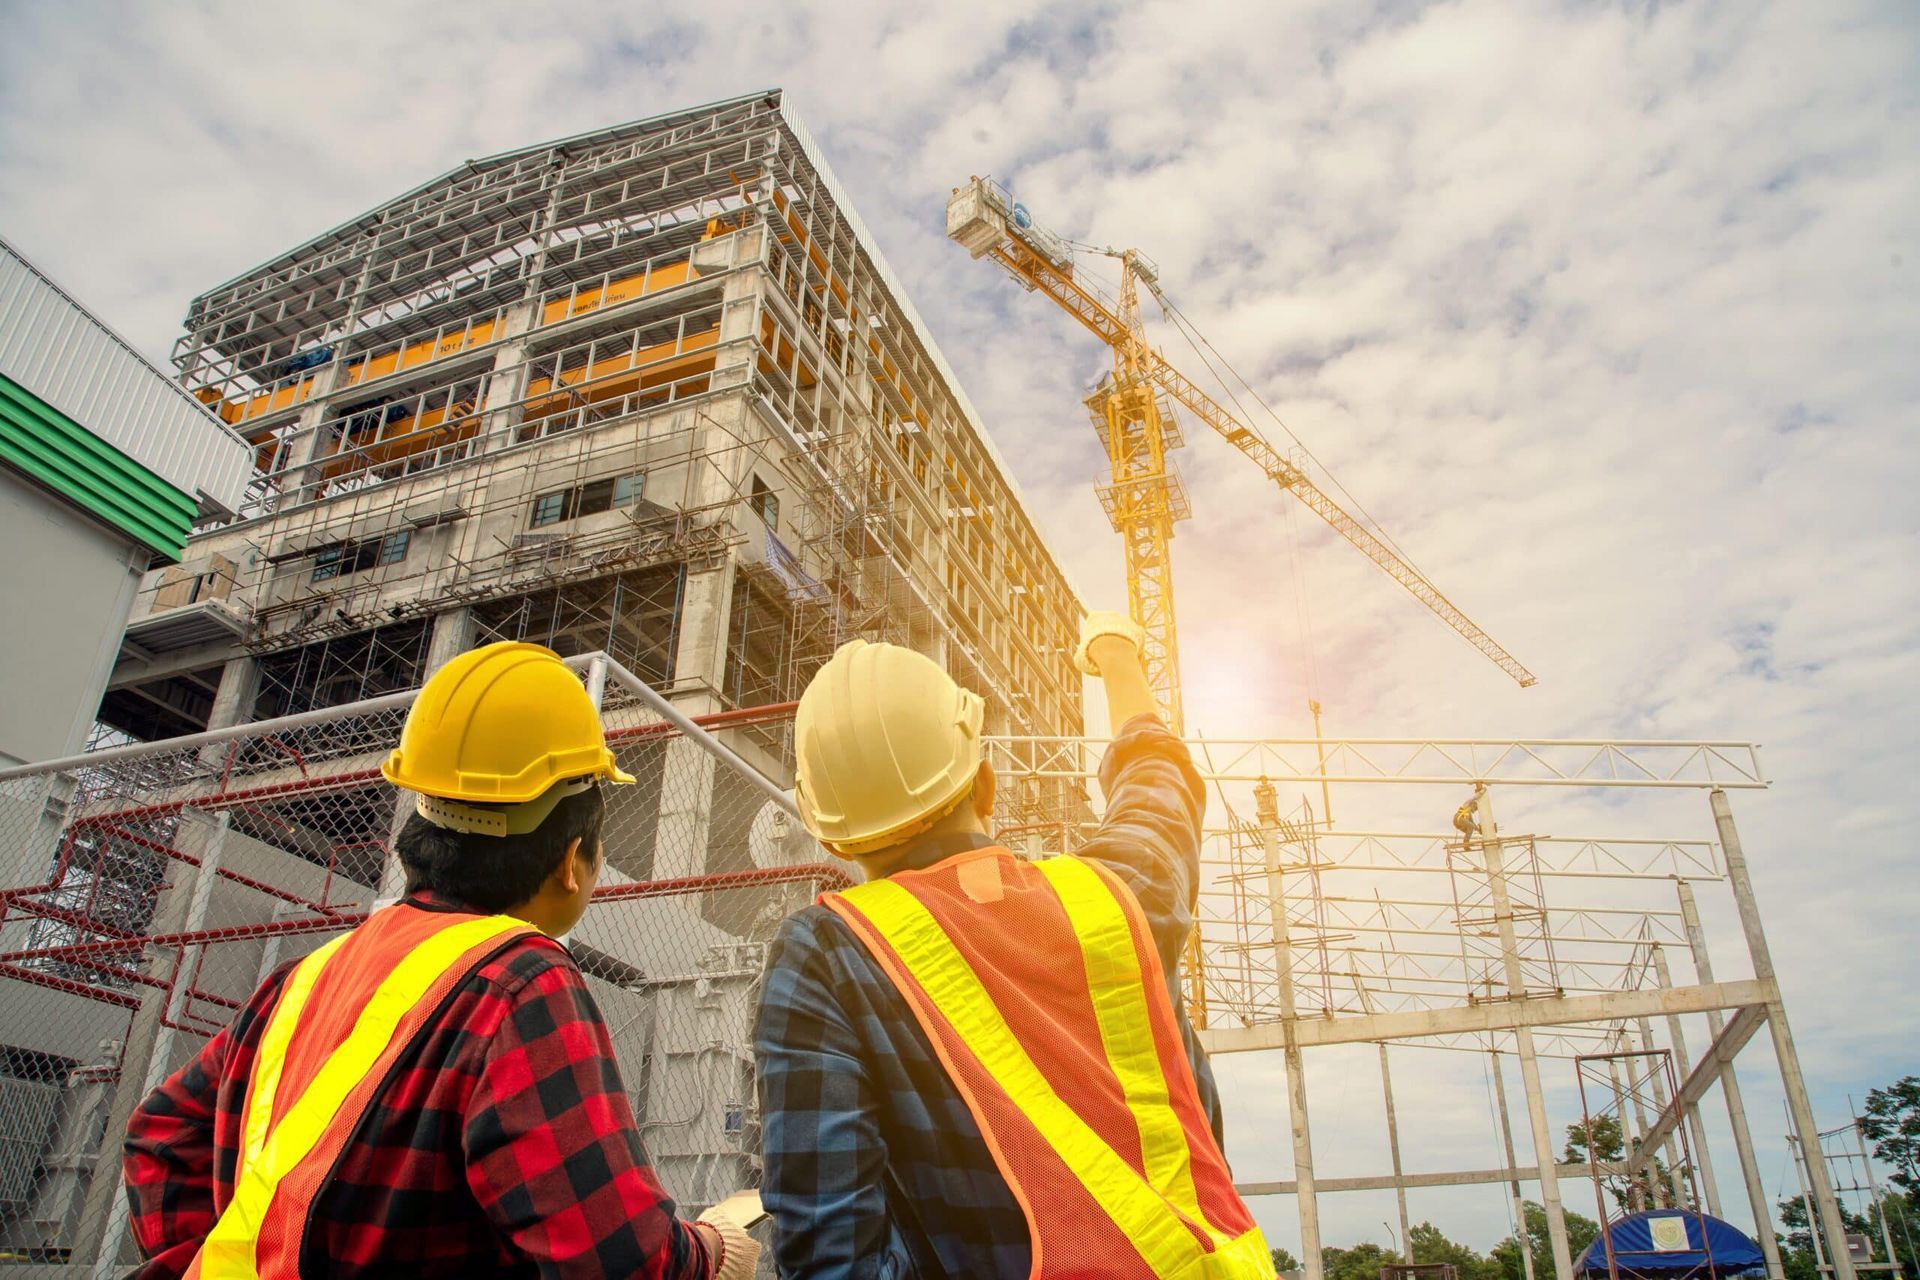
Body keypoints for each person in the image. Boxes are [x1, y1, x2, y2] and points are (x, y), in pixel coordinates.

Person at [121, 641, 760, 1280]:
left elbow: (159, 1138)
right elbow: (623, 1261)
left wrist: (203, 1262)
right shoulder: (520, 985)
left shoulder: (306, 978)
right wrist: (716, 1250)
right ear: (571, 860)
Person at [754, 613, 1272, 1277]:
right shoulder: (1115, 897)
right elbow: (1156, 780)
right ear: (987, 783)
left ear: (831, 838)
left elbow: (832, 1256)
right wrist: (1116, 655)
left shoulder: (829, 954)